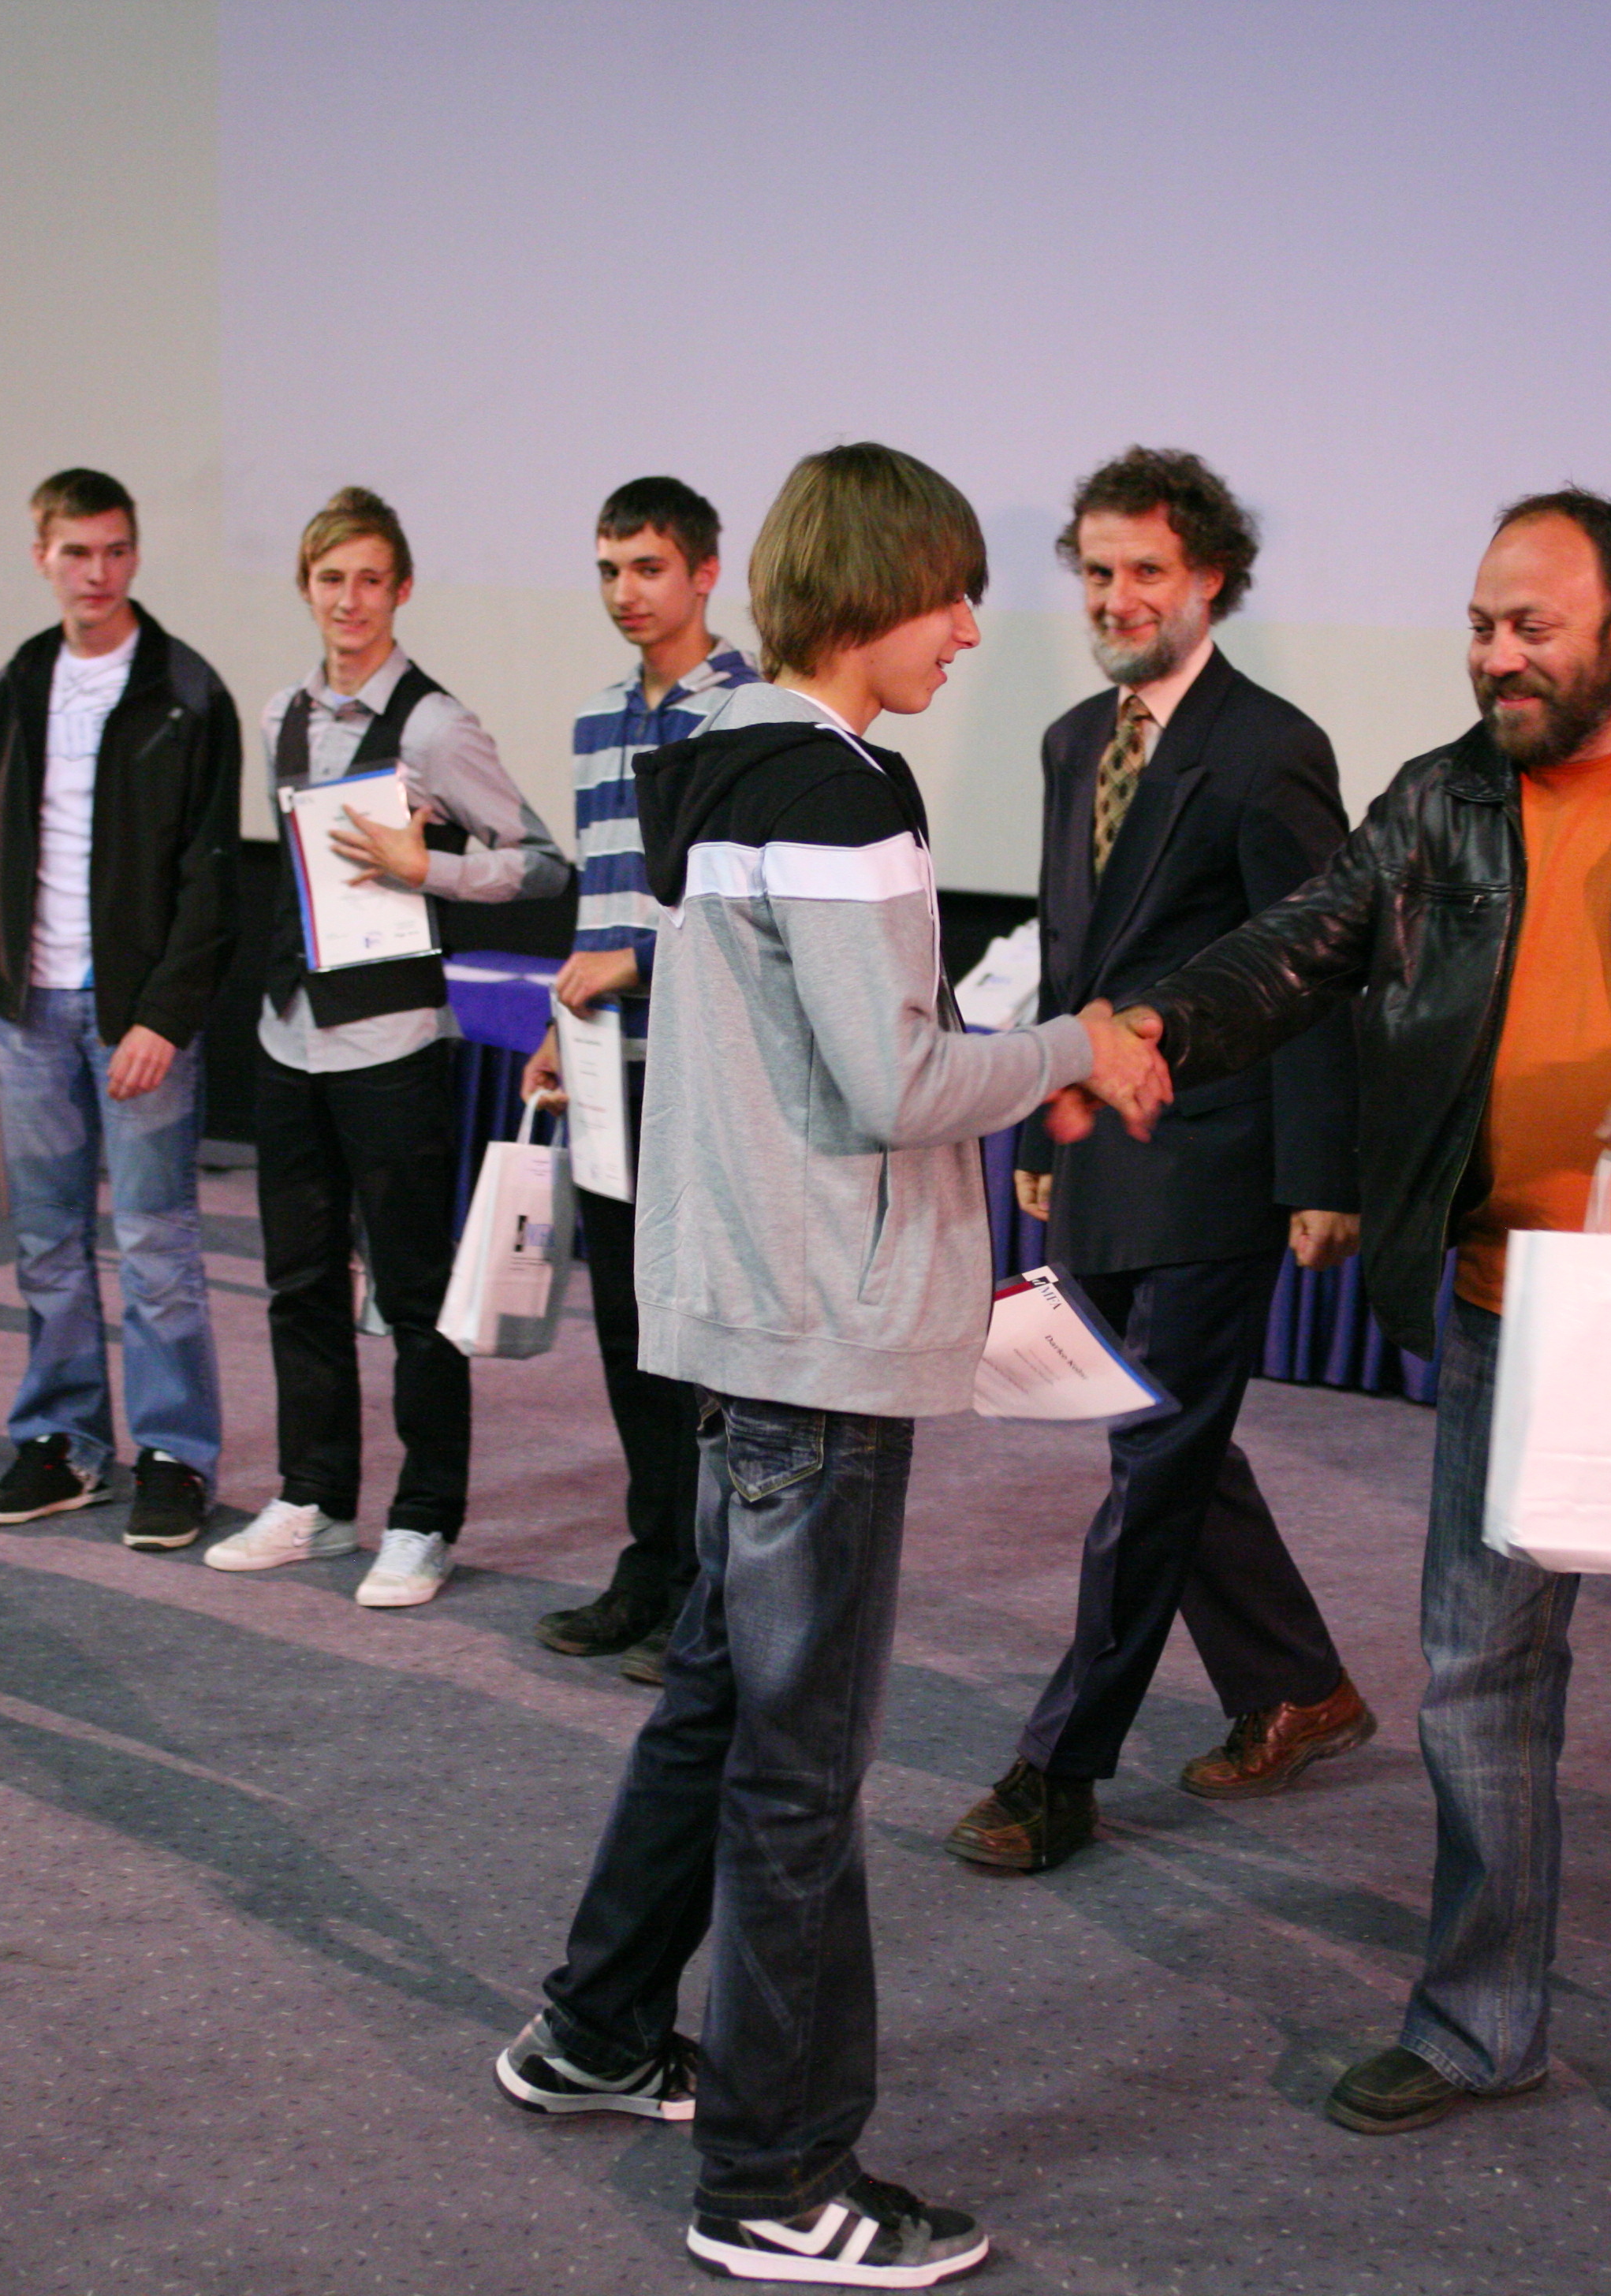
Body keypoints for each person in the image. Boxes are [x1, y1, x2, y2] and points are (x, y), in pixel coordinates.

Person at [1100, 490, 1611, 2194]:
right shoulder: (1437, 803)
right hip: (1506, 1309)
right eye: (1481, 625)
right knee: (1478, 1686)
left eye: (1530, 627)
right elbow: (1303, 947)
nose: (1495, 656)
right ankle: (1478, 2020)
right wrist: (1164, 1018)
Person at [494, 443, 1167, 2287]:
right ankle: (780, 2181)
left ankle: (597, 2029)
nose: (972, 632)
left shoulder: (716, 757)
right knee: (799, 1773)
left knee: (720, 1702)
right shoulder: (843, 792)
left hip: (746, 1312)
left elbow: (829, 1055)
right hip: (823, 1342)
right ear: (871, 595)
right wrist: (1076, 1047)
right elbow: (894, 1080)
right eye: (952, 597)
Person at [945, 447, 1373, 1876]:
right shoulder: (1073, 739)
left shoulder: (1269, 747)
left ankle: (1058, 1768)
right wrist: (1039, 1123)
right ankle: (1299, 1687)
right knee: (1160, 1444)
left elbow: (1320, 964)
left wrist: (1322, 1170)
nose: (1115, 595)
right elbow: (1072, 958)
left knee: (1154, 1460)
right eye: (1096, 570)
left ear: (1210, 580)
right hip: (1097, 1147)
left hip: (1219, 1156)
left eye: (1146, 570)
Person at [196, 487, 570, 1607]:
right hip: (290, 1034)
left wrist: (431, 869)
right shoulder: (281, 713)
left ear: (400, 588)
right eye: (331, 580)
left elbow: (543, 863)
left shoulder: (436, 725)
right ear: (305, 588)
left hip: (396, 1042)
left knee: (413, 1296)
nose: (349, 601)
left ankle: (423, 1519)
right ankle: (313, 1499)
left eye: (369, 580)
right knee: (299, 1282)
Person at [0, 468, 237, 1552]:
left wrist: (165, 1016)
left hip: (135, 1017)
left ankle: (175, 1456)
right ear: (41, 557)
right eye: (75, 553)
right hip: (29, 1011)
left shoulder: (186, 690)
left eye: (114, 551)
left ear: (135, 555)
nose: (97, 573)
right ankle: (61, 1443)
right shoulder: (18, 683)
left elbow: (210, 876)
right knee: (48, 1241)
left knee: (156, 1242)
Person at [516, 477, 757, 1682]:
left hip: (706, 1071)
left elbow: (744, 908)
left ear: (706, 573)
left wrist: (636, 962)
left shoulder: (750, 712)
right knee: (624, 1328)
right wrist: (563, 1022)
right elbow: (602, 904)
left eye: (649, 568)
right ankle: (653, 1564)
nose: (626, 592)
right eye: (610, 569)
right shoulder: (595, 719)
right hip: (608, 1068)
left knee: (703, 1340)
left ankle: (719, 1589)